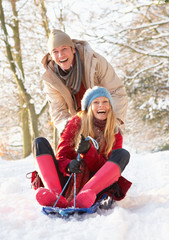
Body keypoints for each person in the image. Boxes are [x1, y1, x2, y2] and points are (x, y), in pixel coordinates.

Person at [33, 86, 132, 209]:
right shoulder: (75, 124)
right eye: (96, 102)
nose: (101, 105)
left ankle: (83, 197)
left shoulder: (115, 133)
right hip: (68, 181)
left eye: (105, 102)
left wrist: (89, 152)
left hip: (95, 186)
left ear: (110, 106)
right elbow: (62, 156)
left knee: (122, 154)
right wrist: (69, 166)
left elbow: (106, 169)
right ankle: (55, 195)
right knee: (39, 142)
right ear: (89, 107)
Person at [41, 29, 128, 135]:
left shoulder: (95, 62)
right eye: (55, 52)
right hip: (79, 123)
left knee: (112, 150)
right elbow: (59, 111)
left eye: (64, 49)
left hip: (104, 118)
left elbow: (117, 91)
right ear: (51, 56)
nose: (61, 55)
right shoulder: (51, 78)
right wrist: (72, 130)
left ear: (73, 49)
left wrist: (113, 123)